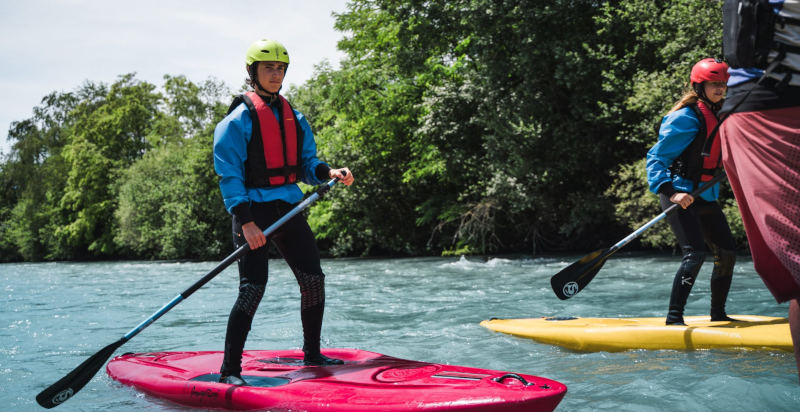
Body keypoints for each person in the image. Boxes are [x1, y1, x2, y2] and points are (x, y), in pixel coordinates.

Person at [213, 38, 354, 386]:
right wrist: (245, 222)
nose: (276, 74)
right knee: (252, 289)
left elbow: (307, 164)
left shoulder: (296, 116)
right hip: (253, 213)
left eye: (280, 69)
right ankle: (230, 371)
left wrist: (329, 173)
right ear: (253, 73)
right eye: (268, 68)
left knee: (313, 280)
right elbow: (229, 175)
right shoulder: (237, 121)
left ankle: (312, 354)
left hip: (289, 208)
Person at [718, 1, 800, 382]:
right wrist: (674, 187)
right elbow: (662, 164)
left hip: (760, 114)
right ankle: (687, 316)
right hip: (769, 110)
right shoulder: (682, 119)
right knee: (696, 253)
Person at [646, 58, 738, 326]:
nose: (720, 89)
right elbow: (656, 158)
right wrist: (670, 191)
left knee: (728, 254)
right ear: (699, 86)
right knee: (695, 253)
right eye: (714, 84)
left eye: (723, 84)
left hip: (705, 196)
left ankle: (718, 315)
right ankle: (674, 318)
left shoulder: (724, 114)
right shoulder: (685, 119)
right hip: (679, 194)